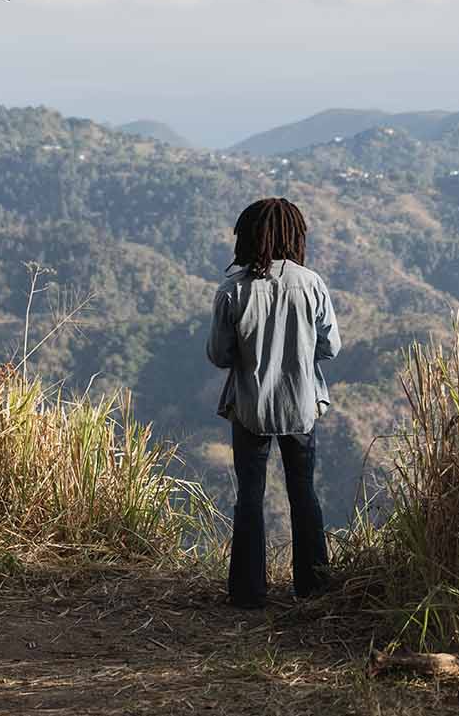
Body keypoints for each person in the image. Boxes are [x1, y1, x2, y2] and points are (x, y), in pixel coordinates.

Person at [206, 197, 341, 609]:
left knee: (250, 495)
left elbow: (219, 354)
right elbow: (330, 346)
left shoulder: (233, 290)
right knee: (304, 492)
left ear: (247, 237)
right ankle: (313, 586)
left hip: (250, 408)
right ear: (294, 236)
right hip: (300, 406)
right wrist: (298, 352)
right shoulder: (311, 283)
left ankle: (248, 593)